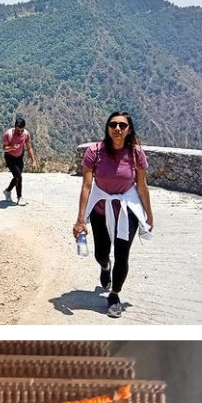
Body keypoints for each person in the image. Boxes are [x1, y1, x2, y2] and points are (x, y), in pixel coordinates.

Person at [73, 112, 155, 319]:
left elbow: (142, 186)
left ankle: (114, 295)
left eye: (122, 125)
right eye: (113, 124)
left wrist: (149, 215)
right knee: (101, 252)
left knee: (122, 255)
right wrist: (81, 219)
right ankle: (104, 266)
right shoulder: (95, 152)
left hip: (127, 213)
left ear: (129, 129)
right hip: (101, 210)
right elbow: (86, 186)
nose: (117, 129)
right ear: (107, 127)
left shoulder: (136, 154)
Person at [0, 116, 37, 206]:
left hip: (19, 157)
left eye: (22, 130)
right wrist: (12, 147)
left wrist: (33, 161)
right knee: (19, 177)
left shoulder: (26, 134)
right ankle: (19, 197)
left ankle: (7, 190)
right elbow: (4, 148)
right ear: (15, 127)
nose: (20, 132)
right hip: (10, 157)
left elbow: (29, 148)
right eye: (18, 130)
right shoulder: (8, 134)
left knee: (17, 177)